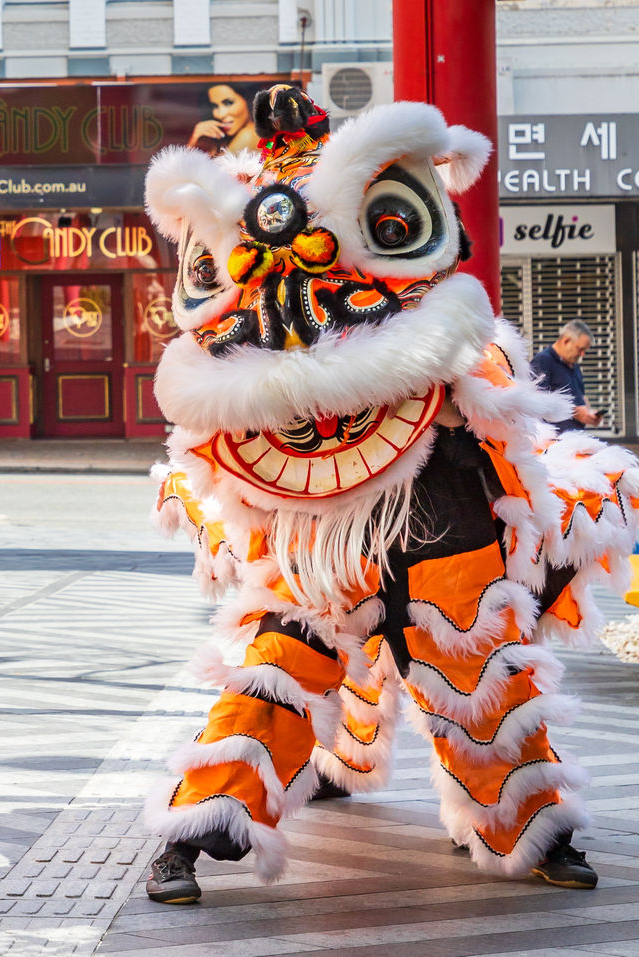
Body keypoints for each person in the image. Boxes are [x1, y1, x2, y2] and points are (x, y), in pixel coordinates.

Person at [142, 85, 637, 906]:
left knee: (480, 680)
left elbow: (511, 443)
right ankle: (194, 831)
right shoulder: (250, 359)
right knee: (272, 677)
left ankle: (535, 827)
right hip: (313, 548)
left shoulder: (452, 349)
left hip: (441, 529)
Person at [529, 319, 603, 430]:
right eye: (580, 349)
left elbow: (581, 397)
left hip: (576, 434)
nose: (582, 354)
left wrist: (589, 414)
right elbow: (537, 401)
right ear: (566, 341)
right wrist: (573, 412)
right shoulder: (543, 361)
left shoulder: (574, 365)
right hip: (555, 436)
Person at [187, 82, 260, 157]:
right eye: (215, 106)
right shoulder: (228, 138)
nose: (220, 114)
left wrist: (192, 142)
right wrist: (195, 138)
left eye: (229, 103)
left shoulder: (248, 135)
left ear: (249, 100)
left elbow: (189, 163)